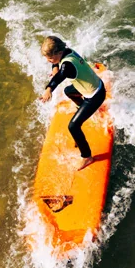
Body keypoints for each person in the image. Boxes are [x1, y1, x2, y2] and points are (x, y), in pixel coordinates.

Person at [39, 36, 106, 171]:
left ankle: (87, 156)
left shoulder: (67, 65)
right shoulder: (67, 51)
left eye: (50, 59)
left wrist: (48, 90)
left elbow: (59, 78)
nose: (48, 61)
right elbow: (57, 66)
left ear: (58, 53)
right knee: (69, 91)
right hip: (95, 85)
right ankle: (83, 108)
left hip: (94, 96)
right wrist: (54, 67)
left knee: (73, 126)